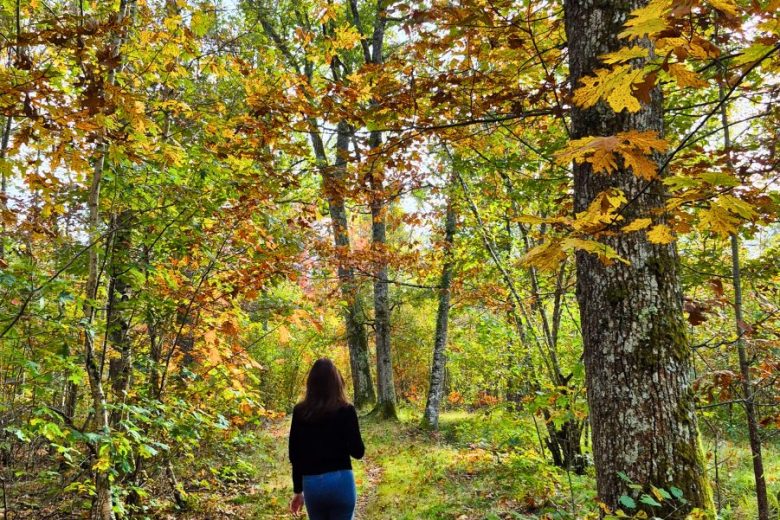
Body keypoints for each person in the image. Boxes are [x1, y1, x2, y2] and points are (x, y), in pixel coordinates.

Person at [288, 358, 365, 519]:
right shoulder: (346, 410)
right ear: (336, 382)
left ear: (311, 383)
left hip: (313, 484)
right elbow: (358, 452)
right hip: (341, 482)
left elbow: (295, 456)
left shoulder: (300, 412)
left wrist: (298, 491)